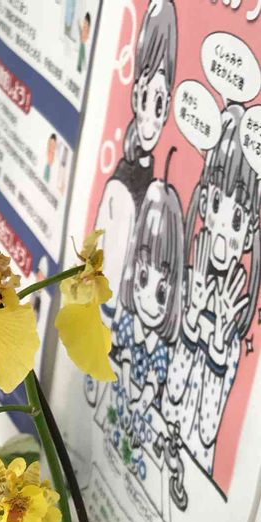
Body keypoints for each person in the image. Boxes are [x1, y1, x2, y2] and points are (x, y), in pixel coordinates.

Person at [163, 105, 261, 477]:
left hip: (195, 469)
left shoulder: (232, 331)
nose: (221, 229)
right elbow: (171, 394)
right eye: (217, 204)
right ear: (204, 202)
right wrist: (191, 320)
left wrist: (219, 345)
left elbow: (207, 431)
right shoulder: (188, 286)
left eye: (237, 218)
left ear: (249, 231)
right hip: (161, 445)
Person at [95, 0, 178, 303]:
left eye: (161, 103)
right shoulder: (119, 188)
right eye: (147, 98)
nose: (152, 119)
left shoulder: (157, 187)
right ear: (135, 94)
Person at [115, 149, 184, 439]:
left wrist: (140, 405)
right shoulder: (129, 324)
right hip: (122, 400)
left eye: (162, 291)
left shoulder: (161, 348)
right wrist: (127, 389)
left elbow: (155, 380)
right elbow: (125, 357)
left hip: (144, 418)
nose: (147, 300)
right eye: (143, 277)